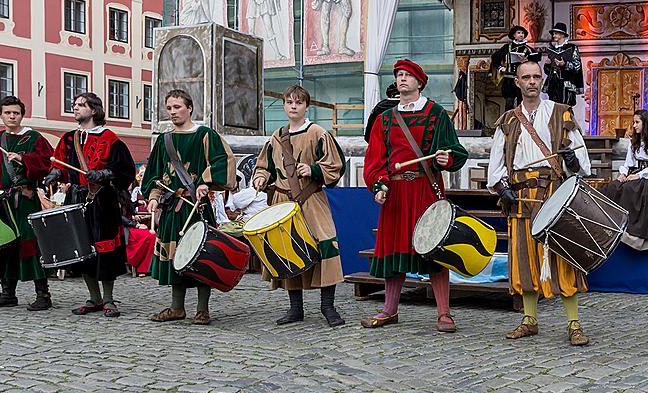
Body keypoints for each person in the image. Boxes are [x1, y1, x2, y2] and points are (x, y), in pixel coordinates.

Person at [486, 60, 593, 345]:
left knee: (562, 260)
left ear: (542, 81)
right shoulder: (507, 121)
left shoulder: (561, 113)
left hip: (553, 197)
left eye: (536, 76)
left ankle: (574, 325)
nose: (532, 81)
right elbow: (496, 164)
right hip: (520, 198)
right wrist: (501, 187)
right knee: (524, 260)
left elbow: (581, 160)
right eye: (526, 77)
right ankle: (529, 320)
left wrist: (572, 161)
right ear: (517, 82)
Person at [362, 59, 468, 332]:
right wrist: (379, 185)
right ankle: (389, 310)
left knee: (434, 249)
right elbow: (375, 160)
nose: (402, 79)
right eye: (398, 75)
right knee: (395, 249)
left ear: (420, 82)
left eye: (408, 75)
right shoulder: (385, 119)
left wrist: (446, 158)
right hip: (396, 193)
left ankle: (444, 313)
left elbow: (456, 152)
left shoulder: (436, 114)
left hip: (425, 191)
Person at [252, 85, 348, 327]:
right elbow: (264, 165)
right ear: (284, 106)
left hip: (311, 200)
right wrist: (261, 178)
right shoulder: (276, 137)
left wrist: (314, 169)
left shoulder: (317, 133)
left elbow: (335, 164)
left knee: (326, 245)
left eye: (298, 102)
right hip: (283, 201)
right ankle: (295, 308)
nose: (293, 106)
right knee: (287, 250)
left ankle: (328, 307)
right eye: (289, 102)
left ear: (306, 106)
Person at [142, 89, 236, 325]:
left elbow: (222, 161)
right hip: (173, 208)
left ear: (190, 108)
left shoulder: (205, 134)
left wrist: (206, 183)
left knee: (201, 255)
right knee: (176, 257)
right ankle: (177, 308)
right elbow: (154, 174)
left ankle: (202, 310)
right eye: (170, 108)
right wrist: (154, 197)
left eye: (178, 107)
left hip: (197, 207)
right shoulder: (164, 140)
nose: (173, 112)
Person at [44, 92, 136, 318]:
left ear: (94, 110)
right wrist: (55, 173)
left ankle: (108, 298)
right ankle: (93, 297)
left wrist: (104, 173)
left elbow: (125, 170)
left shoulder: (110, 138)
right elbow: (62, 163)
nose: (75, 108)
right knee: (83, 248)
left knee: (104, 248)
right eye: (74, 104)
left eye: (81, 105)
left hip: (102, 201)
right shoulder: (68, 139)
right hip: (76, 199)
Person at [0, 96, 54, 311]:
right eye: (8, 113)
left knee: (31, 244)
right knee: (6, 244)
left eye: (16, 113)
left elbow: (48, 163)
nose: (12, 116)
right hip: (3, 201)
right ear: (0, 114)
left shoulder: (34, 138)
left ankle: (43, 294)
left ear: (22, 114)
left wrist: (23, 159)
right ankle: (7, 294)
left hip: (26, 199)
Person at [599, 110, 648, 250]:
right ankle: (611, 224)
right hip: (635, 172)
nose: (634, 125)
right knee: (613, 187)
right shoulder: (634, 142)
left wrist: (638, 175)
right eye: (634, 122)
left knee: (631, 189)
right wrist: (623, 174)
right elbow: (628, 163)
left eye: (637, 122)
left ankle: (632, 233)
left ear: (645, 123)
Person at [490, 25, 540, 110]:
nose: (521, 35)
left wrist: (527, 61)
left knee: (522, 102)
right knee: (509, 103)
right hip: (509, 79)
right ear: (514, 35)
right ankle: (509, 122)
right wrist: (500, 67)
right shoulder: (507, 47)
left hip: (523, 80)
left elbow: (535, 62)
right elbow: (495, 57)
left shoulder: (528, 49)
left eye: (522, 33)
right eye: (519, 33)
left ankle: (522, 122)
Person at [542, 23, 583, 106]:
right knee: (554, 108)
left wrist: (565, 64)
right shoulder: (552, 49)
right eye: (553, 34)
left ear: (562, 34)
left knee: (565, 109)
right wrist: (547, 65)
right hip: (554, 83)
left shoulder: (571, 48)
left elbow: (577, 66)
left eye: (556, 33)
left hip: (566, 84)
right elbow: (547, 71)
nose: (554, 36)